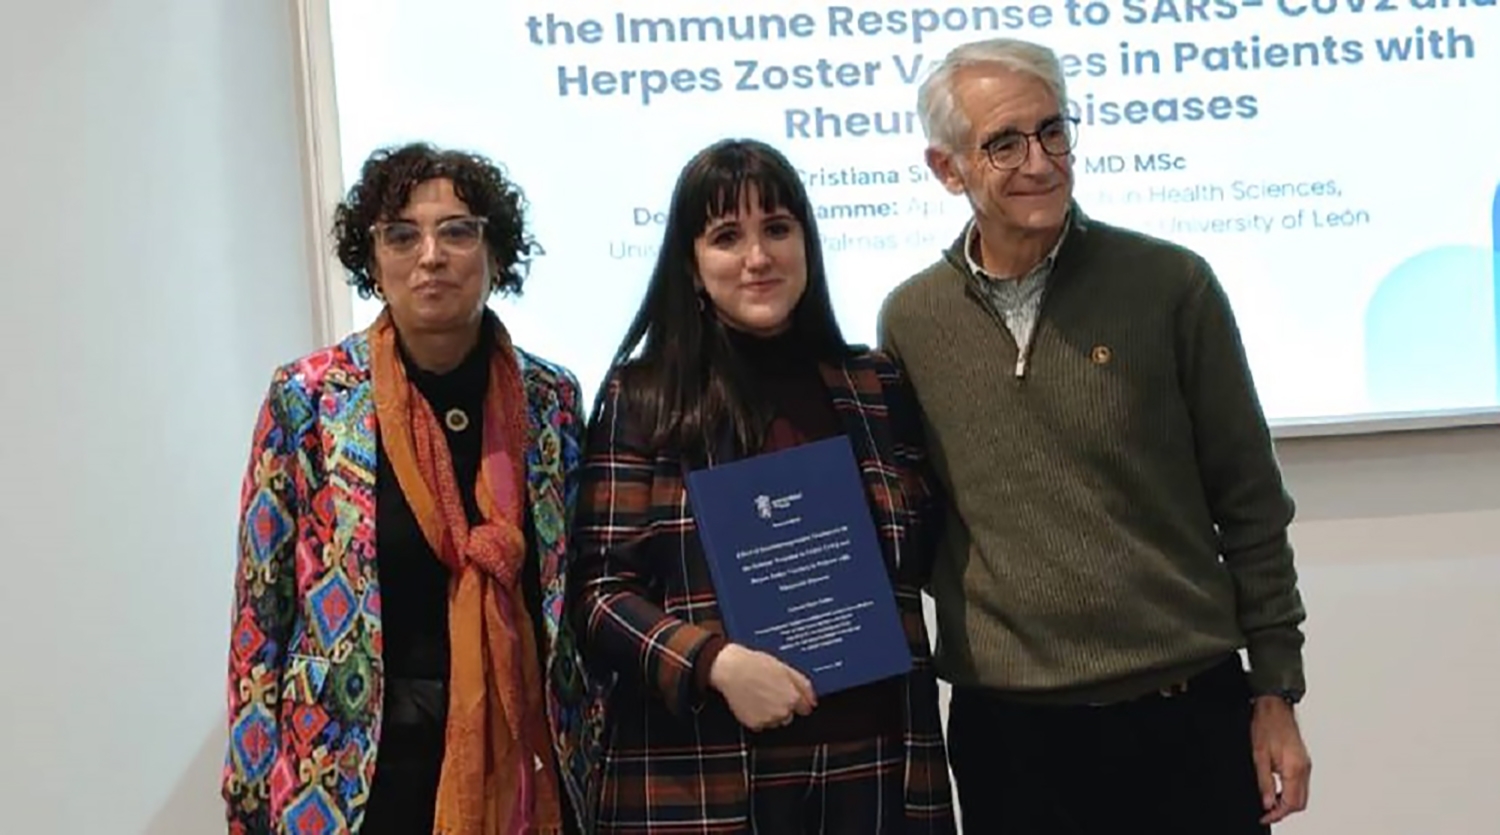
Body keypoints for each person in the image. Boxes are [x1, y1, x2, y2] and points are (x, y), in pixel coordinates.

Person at [878, 38, 1314, 834]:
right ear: (948, 169)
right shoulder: (912, 321)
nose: (1039, 161)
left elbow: (1251, 504)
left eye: (1053, 131)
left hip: (1185, 717)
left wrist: (1275, 690)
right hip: (1013, 739)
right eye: (1003, 143)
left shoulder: (1171, 285)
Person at [569, 138, 956, 834]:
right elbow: (598, 594)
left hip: (876, 764)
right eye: (726, 236)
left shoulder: (874, 384)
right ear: (690, 262)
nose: (758, 257)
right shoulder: (646, 396)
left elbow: (922, 548)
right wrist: (712, 662)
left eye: (777, 228)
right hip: (705, 772)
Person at [221, 142, 602, 834]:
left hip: (524, 759)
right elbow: (261, 611)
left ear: (496, 254)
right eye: (402, 234)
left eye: (458, 231)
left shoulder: (551, 398)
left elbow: (568, 593)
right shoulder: (310, 398)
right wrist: (248, 794)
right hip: (352, 774)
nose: (431, 254)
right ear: (373, 260)